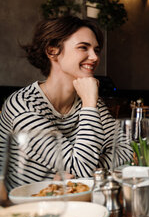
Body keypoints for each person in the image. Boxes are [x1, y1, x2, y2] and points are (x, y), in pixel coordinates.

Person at [0, 16, 131, 191]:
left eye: (96, 50)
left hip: (74, 201)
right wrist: (90, 106)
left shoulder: (88, 100)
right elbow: (82, 170)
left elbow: (127, 150)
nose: (94, 57)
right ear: (52, 51)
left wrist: (82, 169)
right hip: (27, 208)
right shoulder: (23, 105)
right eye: (83, 47)